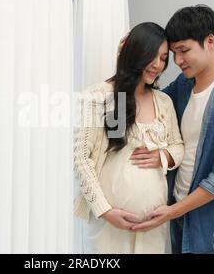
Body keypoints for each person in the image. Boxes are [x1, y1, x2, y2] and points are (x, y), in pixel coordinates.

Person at [128, 5, 214, 254]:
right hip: (180, 215)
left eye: (184, 51)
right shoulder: (183, 84)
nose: (177, 61)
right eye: (173, 53)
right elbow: (148, 100)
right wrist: (129, 58)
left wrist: (171, 213)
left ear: (210, 41)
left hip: (213, 224)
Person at [73, 22, 184, 254]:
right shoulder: (101, 96)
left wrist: (163, 156)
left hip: (152, 227)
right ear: (134, 53)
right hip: (109, 226)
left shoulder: (162, 102)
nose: (157, 65)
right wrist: (105, 211)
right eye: (151, 55)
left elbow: (178, 146)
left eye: (163, 58)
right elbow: (82, 158)